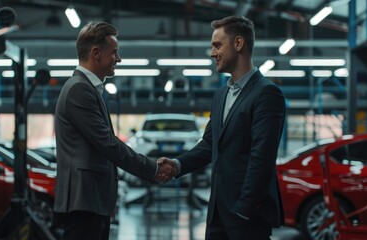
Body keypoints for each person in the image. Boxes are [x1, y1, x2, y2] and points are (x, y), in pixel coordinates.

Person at [159, 16, 286, 239]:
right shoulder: (221, 95)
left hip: (247, 214)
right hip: (217, 210)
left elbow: (262, 157)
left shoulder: (266, 93)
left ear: (238, 44)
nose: (212, 53)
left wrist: (244, 209)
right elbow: (210, 144)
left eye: (217, 45)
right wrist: (177, 165)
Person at [54, 21, 176, 240]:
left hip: (91, 200)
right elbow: (107, 143)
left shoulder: (86, 88)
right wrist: (152, 168)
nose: (118, 59)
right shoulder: (79, 89)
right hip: (85, 201)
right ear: (96, 53)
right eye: (115, 53)